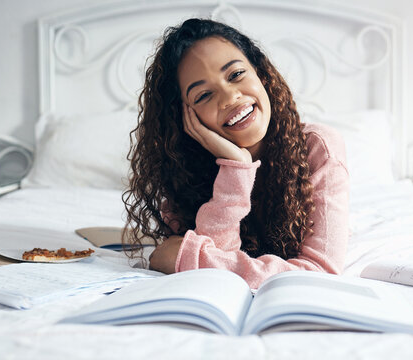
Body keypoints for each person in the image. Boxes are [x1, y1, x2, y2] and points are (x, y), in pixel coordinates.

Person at [123, 18, 349, 289]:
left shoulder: (318, 148)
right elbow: (214, 279)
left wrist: (185, 258)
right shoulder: (183, 176)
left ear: (260, 73)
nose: (230, 98)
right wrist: (236, 169)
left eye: (236, 75)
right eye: (204, 95)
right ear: (183, 118)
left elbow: (319, 275)